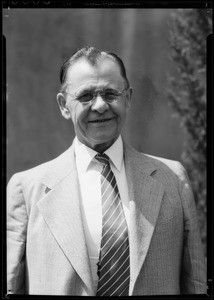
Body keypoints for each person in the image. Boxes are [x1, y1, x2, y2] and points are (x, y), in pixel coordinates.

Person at [7, 46, 207, 296]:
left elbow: (197, 284)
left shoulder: (173, 179)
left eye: (111, 93)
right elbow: (10, 287)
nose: (100, 105)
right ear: (64, 105)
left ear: (129, 98)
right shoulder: (26, 190)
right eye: (86, 96)